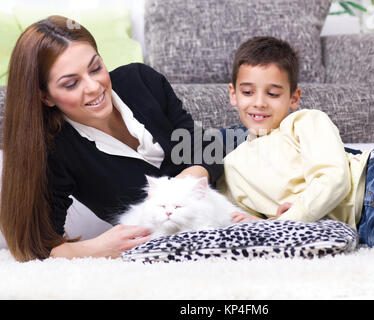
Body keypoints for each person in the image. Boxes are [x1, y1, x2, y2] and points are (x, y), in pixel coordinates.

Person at [0, 16, 223, 262]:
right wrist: (92, 249)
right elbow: (37, 247)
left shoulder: (141, 80)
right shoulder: (55, 152)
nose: (94, 87)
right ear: (45, 97)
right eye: (72, 83)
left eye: (95, 68)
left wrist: (185, 183)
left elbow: (203, 144)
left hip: (231, 186)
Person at [220, 36, 374, 249]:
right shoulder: (230, 169)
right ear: (233, 94)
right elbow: (250, 220)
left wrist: (287, 220)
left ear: (294, 98)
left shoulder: (303, 122)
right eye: (248, 92)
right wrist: (260, 223)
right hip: (365, 226)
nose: (259, 103)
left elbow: (334, 178)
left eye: (272, 94)